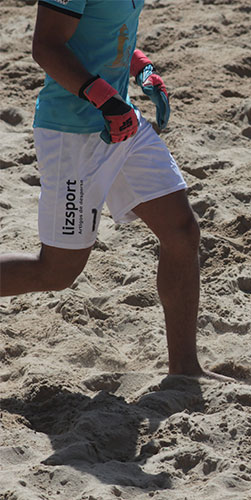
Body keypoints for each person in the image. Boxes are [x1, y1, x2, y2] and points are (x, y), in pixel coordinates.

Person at [0, 0, 223, 379]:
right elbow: (47, 45)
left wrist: (142, 67)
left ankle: (185, 369)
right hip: (73, 132)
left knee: (182, 232)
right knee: (57, 271)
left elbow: (105, 31)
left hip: (122, 121)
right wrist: (101, 95)